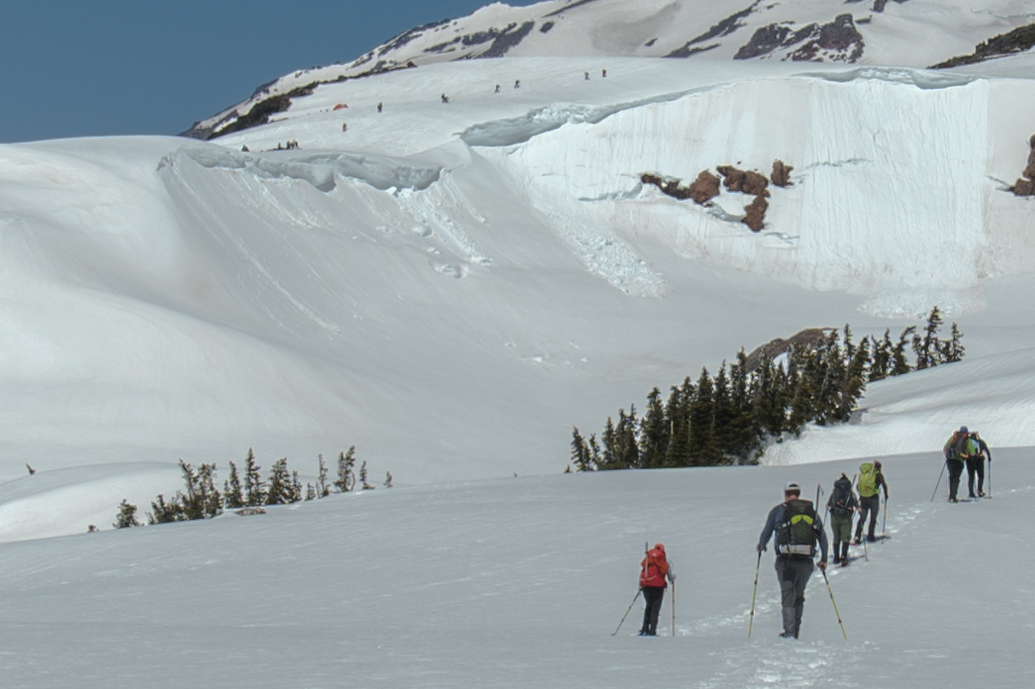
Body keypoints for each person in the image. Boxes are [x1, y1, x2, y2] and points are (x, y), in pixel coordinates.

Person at [757, 482, 828, 639]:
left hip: (785, 560)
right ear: (799, 493)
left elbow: (767, 532)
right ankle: (795, 631)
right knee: (799, 595)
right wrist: (824, 559)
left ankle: (789, 633)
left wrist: (761, 546)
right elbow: (822, 536)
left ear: (785, 494)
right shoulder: (810, 512)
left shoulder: (778, 511)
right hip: (806, 560)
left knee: (788, 594)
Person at [638, 543, 675, 636]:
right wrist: (673, 578)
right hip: (658, 587)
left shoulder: (648, 559)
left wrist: (641, 585)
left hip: (646, 587)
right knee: (655, 609)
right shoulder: (664, 561)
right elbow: (670, 577)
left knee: (648, 606)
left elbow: (643, 572)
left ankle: (644, 629)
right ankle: (652, 631)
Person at [853, 461, 888, 544]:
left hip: (863, 498)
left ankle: (857, 536)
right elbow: (884, 484)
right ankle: (871, 536)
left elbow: (858, 486)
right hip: (873, 499)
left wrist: (862, 492)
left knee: (862, 518)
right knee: (873, 518)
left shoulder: (864, 475)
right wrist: (886, 495)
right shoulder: (878, 475)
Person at [826, 474, 857, 566]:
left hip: (834, 516)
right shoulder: (850, 492)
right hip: (846, 517)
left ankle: (836, 557)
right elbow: (855, 502)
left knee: (836, 537)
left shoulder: (835, 492)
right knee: (846, 537)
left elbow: (828, 504)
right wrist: (858, 508)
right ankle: (844, 556)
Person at [943, 426, 976, 502]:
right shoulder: (967, 440)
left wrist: (948, 455)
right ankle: (953, 497)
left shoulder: (953, 438)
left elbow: (945, 447)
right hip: (959, 460)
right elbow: (972, 452)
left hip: (950, 460)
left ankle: (951, 496)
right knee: (956, 478)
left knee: (951, 476)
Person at [968, 431, 991, 497]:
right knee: (980, 476)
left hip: (970, 461)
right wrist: (989, 457)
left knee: (971, 477)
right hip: (979, 460)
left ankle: (971, 492)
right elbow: (986, 450)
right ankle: (979, 491)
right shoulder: (981, 442)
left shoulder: (968, 443)